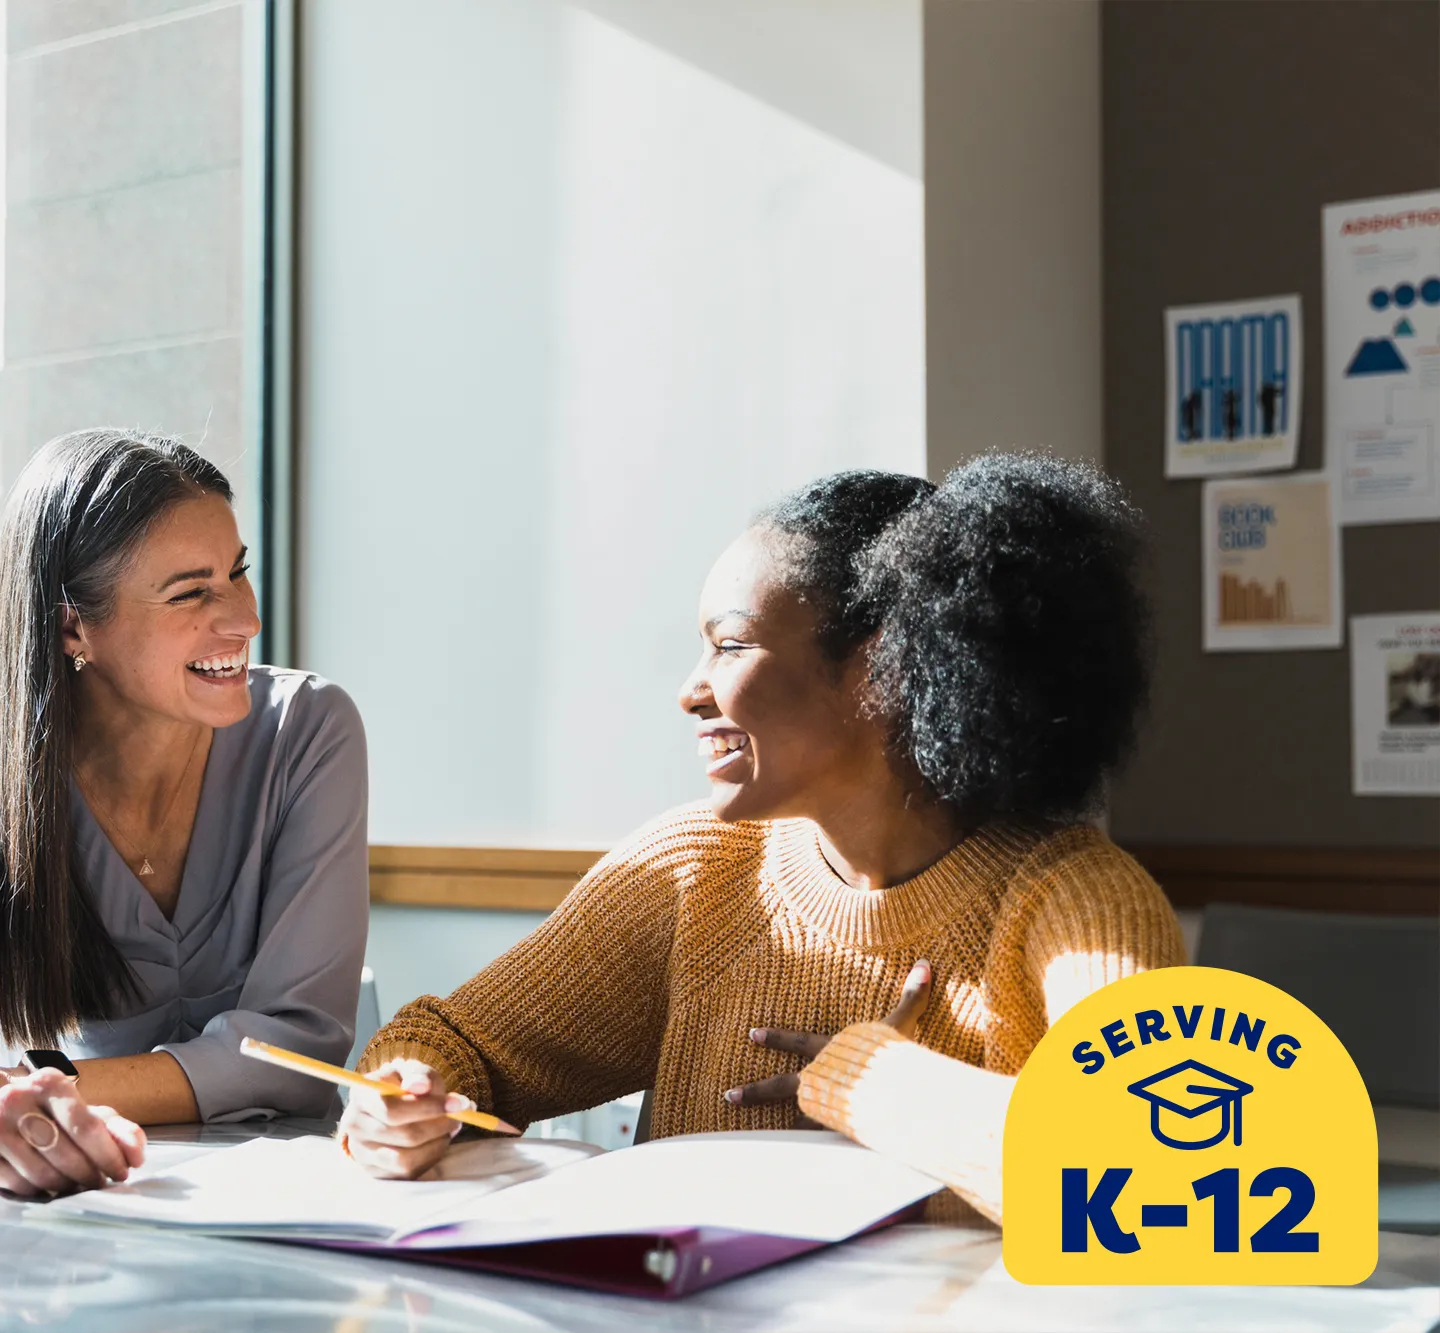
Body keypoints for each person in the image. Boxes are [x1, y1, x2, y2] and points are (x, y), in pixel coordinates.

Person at [339, 454, 1182, 1226]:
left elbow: (1153, 1177)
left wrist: (867, 1080)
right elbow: (459, 1044)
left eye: (730, 645)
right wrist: (398, 1102)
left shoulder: (1077, 901)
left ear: (882, 665)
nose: (688, 692)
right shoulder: (691, 869)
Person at [0, 428, 369, 1198]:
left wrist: (17, 1084)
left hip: (286, 1212)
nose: (244, 618)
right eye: (191, 592)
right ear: (72, 626)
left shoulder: (309, 729)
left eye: (237, 572)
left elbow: (293, 1052)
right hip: (54, 1213)